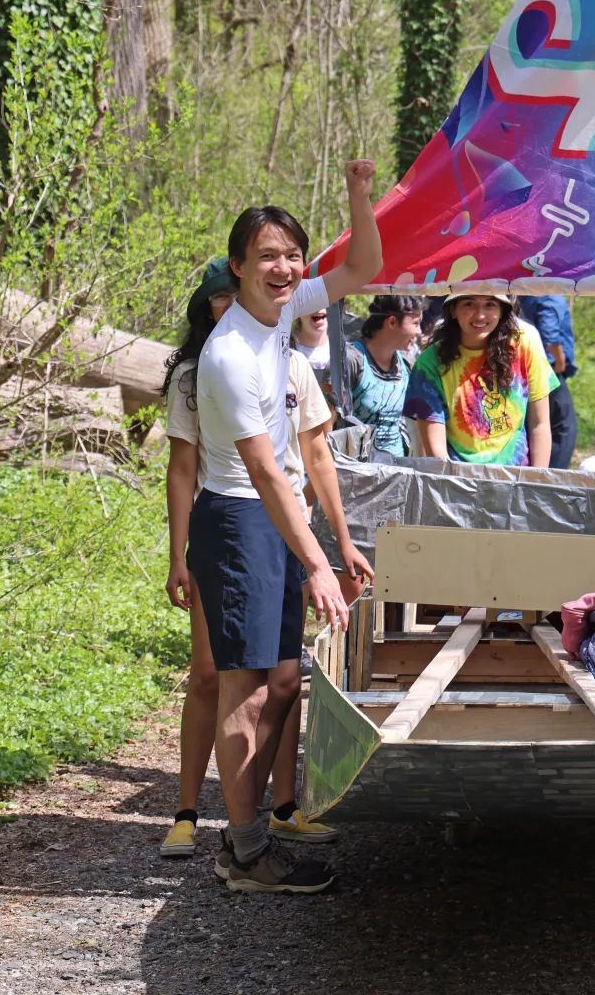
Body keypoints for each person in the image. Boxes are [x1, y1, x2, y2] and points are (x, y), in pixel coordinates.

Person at [186, 159, 382, 894]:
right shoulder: (230, 353)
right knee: (245, 688)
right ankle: (242, 854)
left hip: (273, 518)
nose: (282, 267)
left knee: (279, 682)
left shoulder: (280, 312)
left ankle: (254, 835)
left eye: (290, 255)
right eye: (265, 255)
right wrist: (318, 561)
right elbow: (267, 473)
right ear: (235, 267)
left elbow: (363, 263)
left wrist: (358, 193)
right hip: (239, 521)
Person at [162, 272, 365, 860]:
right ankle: (189, 812)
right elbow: (183, 468)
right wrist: (178, 555)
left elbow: (316, 456)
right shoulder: (201, 370)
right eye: (220, 296)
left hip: (284, 530)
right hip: (230, 529)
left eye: (237, 292)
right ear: (208, 307)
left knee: (281, 679)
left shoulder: (290, 362)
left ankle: (277, 811)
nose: (232, 304)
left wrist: (341, 543)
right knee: (216, 677)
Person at [406, 292, 558, 466]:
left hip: (518, 483)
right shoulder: (429, 364)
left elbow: (540, 424)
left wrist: (535, 484)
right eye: (469, 304)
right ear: (453, 309)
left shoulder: (525, 347)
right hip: (458, 482)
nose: (480, 315)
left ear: (502, 311)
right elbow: (437, 451)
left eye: (490, 305)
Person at [340, 294, 424, 457]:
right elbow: (326, 424)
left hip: (399, 469)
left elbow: (415, 422)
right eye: (415, 323)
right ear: (392, 322)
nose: (419, 331)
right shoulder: (351, 360)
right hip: (357, 471)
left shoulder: (407, 362)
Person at [517, 294, 579, 468]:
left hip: (527, 368)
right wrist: (559, 361)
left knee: (536, 421)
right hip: (547, 369)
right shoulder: (549, 293)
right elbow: (549, 332)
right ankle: (553, 477)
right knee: (563, 427)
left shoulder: (527, 289)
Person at [291, 309, 330, 393]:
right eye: (312, 299)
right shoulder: (283, 353)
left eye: (326, 299)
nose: (319, 307)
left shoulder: (347, 354)